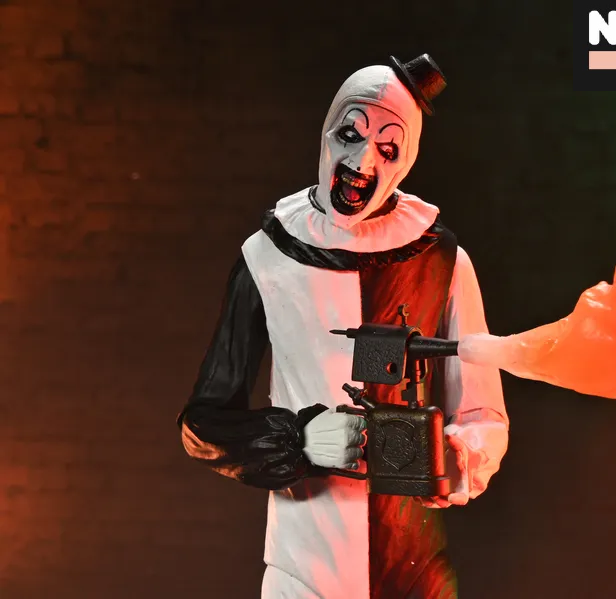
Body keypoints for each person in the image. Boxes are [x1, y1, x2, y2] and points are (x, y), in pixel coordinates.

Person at [176, 54, 510, 599]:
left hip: (412, 566)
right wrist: (299, 439)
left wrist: (458, 457)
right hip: (303, 565)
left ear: (404, 162)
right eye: (351, 134)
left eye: (387, 148)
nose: (362, 160)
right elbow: (203, 426)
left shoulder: (442, 260)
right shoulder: (267, 255)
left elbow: (482, 412)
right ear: (327, 132)